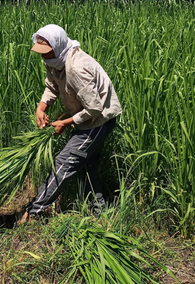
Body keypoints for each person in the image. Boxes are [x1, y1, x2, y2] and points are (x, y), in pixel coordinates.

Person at [20, 24, 122, 223]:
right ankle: (100, 214)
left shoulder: (75, 68)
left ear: (57, 46)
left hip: (98, 122)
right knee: (87, 166)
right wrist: (41, 108)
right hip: (87, 117)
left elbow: (94, 109)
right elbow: (52, 85)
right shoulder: (55, 60)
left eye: (46, 53)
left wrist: (65, 122)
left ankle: (33, 211)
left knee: (64, 163)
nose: (43, 57)